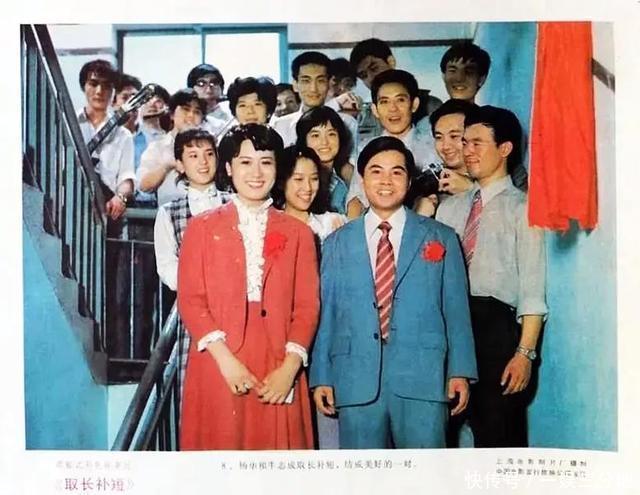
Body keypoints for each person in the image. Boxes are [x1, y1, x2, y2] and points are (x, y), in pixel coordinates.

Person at [309, 136, 477, 449]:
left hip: (424, 376)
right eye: (376, 171)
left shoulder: (440, 236)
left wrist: (460, 371)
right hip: (355, 377)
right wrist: (322, 375)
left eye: (396, 172)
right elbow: (327, 313)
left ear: (409, 181)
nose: (386, 181)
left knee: (425, 471)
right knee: (363, 472)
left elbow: (456, 310)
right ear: (362, 180)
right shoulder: (337, 242)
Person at [177, 124, 320, 450]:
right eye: (245, 162)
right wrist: (226, 362)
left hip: (279, 361)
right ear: (228, 168)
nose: (256, 173)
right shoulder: (201, 227)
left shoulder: (299, 233)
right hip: (219, 359)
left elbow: (307, 307)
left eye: (266, 162)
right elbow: (191, 301)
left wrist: (290, 369)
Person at [436, 105, 547, 448]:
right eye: (464, 142)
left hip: (497, 334)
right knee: (442, 439)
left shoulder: (523, 209)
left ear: (505, 149)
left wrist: (524, 354)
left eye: (477, 143)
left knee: (498, 440)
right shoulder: (449, 208)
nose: (466, 151)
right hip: (449, 331)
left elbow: (532, 289)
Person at [154, 128, 231, 397]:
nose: (203, 162)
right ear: (180, 164)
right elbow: (166, 265)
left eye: (209, 154)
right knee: (196, 388)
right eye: (193, 156)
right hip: (193, 310)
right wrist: (198, 285)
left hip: (234, 305)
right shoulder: (169, 212)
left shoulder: (235, 202)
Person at [77, 60, 135, 358]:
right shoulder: (69, 122)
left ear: (113, 91)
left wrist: (121, 198)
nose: (99, 91)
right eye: (93, 83)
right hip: (73, 212)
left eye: (106, 86)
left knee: (108, 286)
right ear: (84, 86)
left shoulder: (123, 134)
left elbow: (127, 176)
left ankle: (106, 354)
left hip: (106, 216)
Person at [346, 69, 440, 217]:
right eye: (384, 102)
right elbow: (356, 200)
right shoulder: (366, 148)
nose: (393, 109)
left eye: (400, 100)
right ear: (375, 109)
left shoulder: (434, 146)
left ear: (414, 104)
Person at [272, 51, 358, 159]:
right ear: (295, 85)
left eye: (320, 81)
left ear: (329, 83)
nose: (313, 89)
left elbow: (352, 163)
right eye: (306, 81)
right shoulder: (280, 126)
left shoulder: (347, 123)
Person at [137, 89, 207, 206]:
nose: (191, 115)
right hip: (169, 213)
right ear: (172, 114)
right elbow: (144, 186)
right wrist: (167, 165)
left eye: (197, 112)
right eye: (185, 109)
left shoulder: (209, 148)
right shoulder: (157, 147)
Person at [350, 38, 443, 124]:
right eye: (363, 75)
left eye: (374, 68)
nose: (370, 78)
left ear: (391, 62)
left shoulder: (429, 105)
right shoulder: (365, 115)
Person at [272, 145, 346, 244]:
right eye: (299, 179)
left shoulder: (332, 223)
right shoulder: (268, 223)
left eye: (314, 179)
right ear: (281, 182)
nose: (308, 187)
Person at [295, 107, 353, 215]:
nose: (324, 142)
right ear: (304, 141)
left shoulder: (343, 184)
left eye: (331, 134)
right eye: (315, 135)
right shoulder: (295, 179)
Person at [429, 98, 479, 197]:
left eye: (454, 136)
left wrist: (471, 189)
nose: (445, 146)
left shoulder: (498, 177)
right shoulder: (431, 183)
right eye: (439, 137)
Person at [187, 63, 232, 135]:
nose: (208, 89)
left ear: (221, 88)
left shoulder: (232, 113)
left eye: (214, 83)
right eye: (201, 84)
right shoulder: (186, 115)